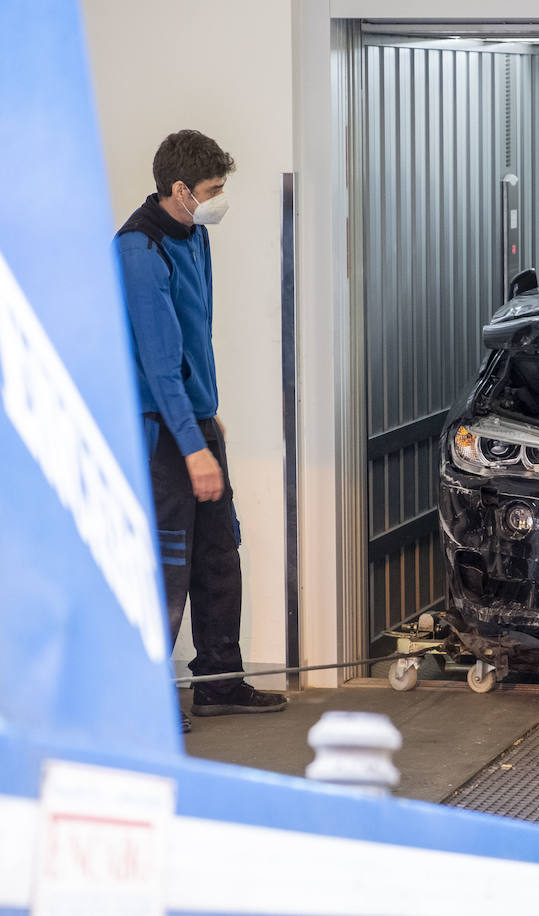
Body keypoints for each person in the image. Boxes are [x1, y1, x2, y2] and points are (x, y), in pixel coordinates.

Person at [114, 130, 286, 733]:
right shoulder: (140, 251)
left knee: (219, 554)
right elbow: (160, 364)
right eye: (213, 190)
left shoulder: (197, 238)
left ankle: (218, 683)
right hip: (162, 435)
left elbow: (196, 342)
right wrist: (192, 446)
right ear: (180, 189)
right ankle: (146, 701)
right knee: (167, 566)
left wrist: (210, 419)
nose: (220, 199)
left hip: (196, 423)